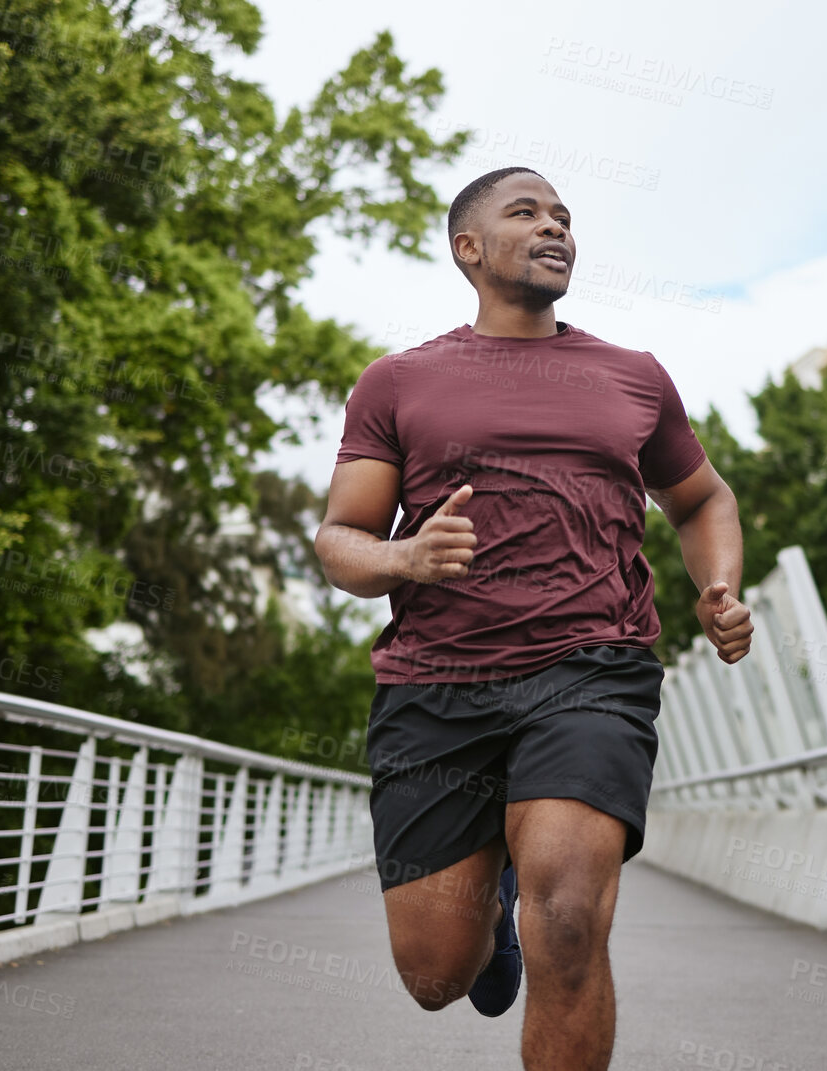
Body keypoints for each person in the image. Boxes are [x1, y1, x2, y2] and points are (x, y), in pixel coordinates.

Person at [314, 166, 752, 1071]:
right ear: (466, 249)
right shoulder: (397, 381)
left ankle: (531, 885)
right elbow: (339, 539)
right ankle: (494, 891)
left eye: (563, 216)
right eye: (527, 213)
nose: (554, 227)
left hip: (592, 670)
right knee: (435, 972)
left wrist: (717, 587)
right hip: (436, 682)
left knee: (566, 920)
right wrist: (403, 556)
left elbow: (703, 499)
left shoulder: (631, 376)